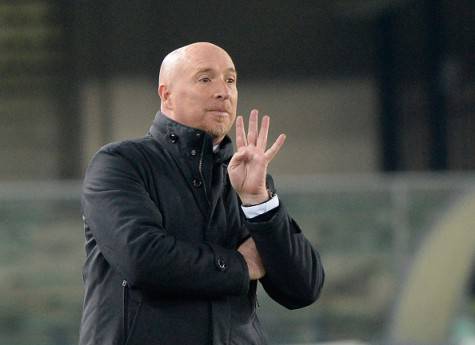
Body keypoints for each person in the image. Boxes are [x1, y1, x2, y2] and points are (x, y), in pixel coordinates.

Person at [78, 42, 324, 345]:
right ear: (166, 95)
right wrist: (239, 265)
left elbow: (303, 288)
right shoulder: (121, 163)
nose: (223, 91)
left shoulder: (247, 180)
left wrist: (261, 204)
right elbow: (143, 259)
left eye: (230, 80)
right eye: (205, 79)